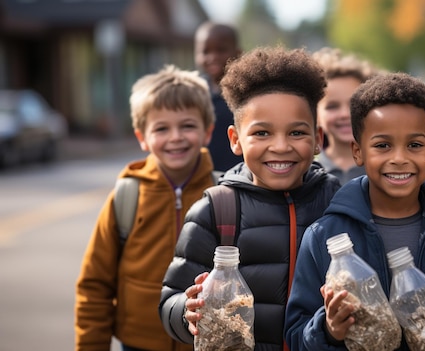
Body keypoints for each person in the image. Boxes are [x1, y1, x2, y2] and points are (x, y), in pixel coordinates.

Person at [285, 72, 425, 350]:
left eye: (414, 145)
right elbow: (295, 334)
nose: (399, 158)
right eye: (382, 145)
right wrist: (328, 329)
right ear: (358, 151)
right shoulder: (324, 236)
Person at [159, 46, 342, 351]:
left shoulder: (337, 201)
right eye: (262, 133)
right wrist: (185, 311)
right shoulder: (215, 210)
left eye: (297, 133)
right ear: (235, 140)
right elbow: (170, 300)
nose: (281, 146)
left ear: (318, 140)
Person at [75, 65, 217, 351]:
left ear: (207, 132)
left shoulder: (223, 196)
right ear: (142, 137)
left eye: (187, 125)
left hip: (206, 343)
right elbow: (95, 286)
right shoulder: (126, 196)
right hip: (138, 343)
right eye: (161, 128)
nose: (175, 137)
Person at [312, 47, 380, 184]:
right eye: (332, 106)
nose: (345, 114)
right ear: (316, 114)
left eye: (354, 104)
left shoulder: (383, 168)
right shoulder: (307, 174)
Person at [194, 21, 243, 172]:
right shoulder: (193, 92)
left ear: (238, 53)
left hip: (242, 176)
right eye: (205, 52)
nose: (212, 57)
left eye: (221, 50)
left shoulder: (247, 92)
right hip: (205, 177)